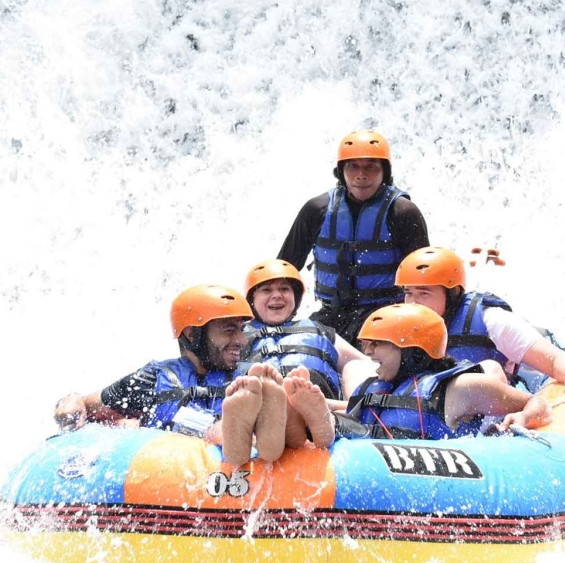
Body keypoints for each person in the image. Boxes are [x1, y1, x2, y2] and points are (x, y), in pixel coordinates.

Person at [51, 285, 289, 468]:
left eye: (241, 329)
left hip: (238, 473)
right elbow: (87, 405)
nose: (242, 340)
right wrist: (70, 400)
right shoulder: (152, 378)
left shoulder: (251, 377)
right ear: (192, 334)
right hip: (166, 475)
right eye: (229, 330)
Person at [277, 129, 430, 344]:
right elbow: (283, 270)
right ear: (340, 172)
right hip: (331, 315)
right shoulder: (316, 209)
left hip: (387, 315)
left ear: (384, 172)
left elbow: (426, 280)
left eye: (371, 167)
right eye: (353, 166)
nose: (361, 175)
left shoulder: (403, 212)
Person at [340, 303, 551, 440]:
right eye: (367, 344)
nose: (368, 351)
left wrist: (524, 417)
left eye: (377, 344)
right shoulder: (373, 388)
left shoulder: (460, 388)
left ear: (412, 351)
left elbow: (538, 404)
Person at [395, 247, 565, 392]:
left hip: (491, 409)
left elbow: (554, 360)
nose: (412, 304)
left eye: (423, 294)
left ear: (452, 293)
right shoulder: (399, 327)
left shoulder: (492, 321)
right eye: (408, 293)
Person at [237, 259, 366, 450]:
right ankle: (295, 412)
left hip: (326, 406)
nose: (277, 296)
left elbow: (364, 365)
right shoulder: (237, 335)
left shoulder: (319, 330)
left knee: (356, 366)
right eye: (266, 290)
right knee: (273, 405)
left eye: (284, 289)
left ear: (295, 297)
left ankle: (319, 415)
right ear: (252, 300)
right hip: (262, 412)